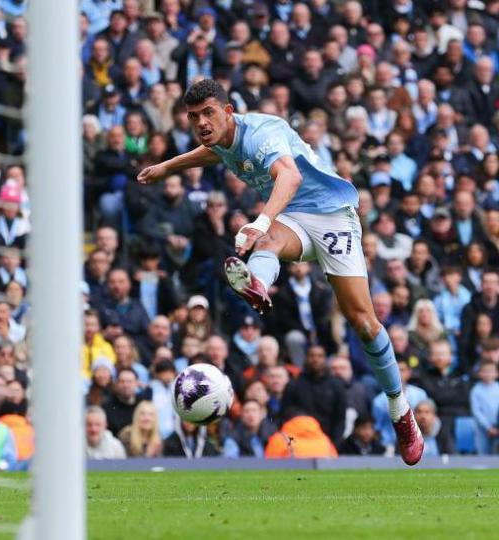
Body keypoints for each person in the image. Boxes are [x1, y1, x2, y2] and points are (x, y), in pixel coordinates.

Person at [137, 79, 423, 465]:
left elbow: (290, 177)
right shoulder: (224, 138)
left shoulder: (261, 135)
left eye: (208, 113)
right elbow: (214, 153)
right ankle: (257, 282)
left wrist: (259, 218)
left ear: (227, 111)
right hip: (291, 219)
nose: (201, 122)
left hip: (331, 217)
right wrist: (167, 167)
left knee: (364, 323)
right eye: (193, 117)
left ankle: (401, 411)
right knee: (268, 241)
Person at [470, 361, 499, 455]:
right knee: (483, 454)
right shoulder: (476, 390)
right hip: (482, 429)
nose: (488, 374)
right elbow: (476, 411)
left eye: (491, 371)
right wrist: (488, 427)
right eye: (485, 371)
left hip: (498, 427)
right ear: (479, 373)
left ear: (496, 373)